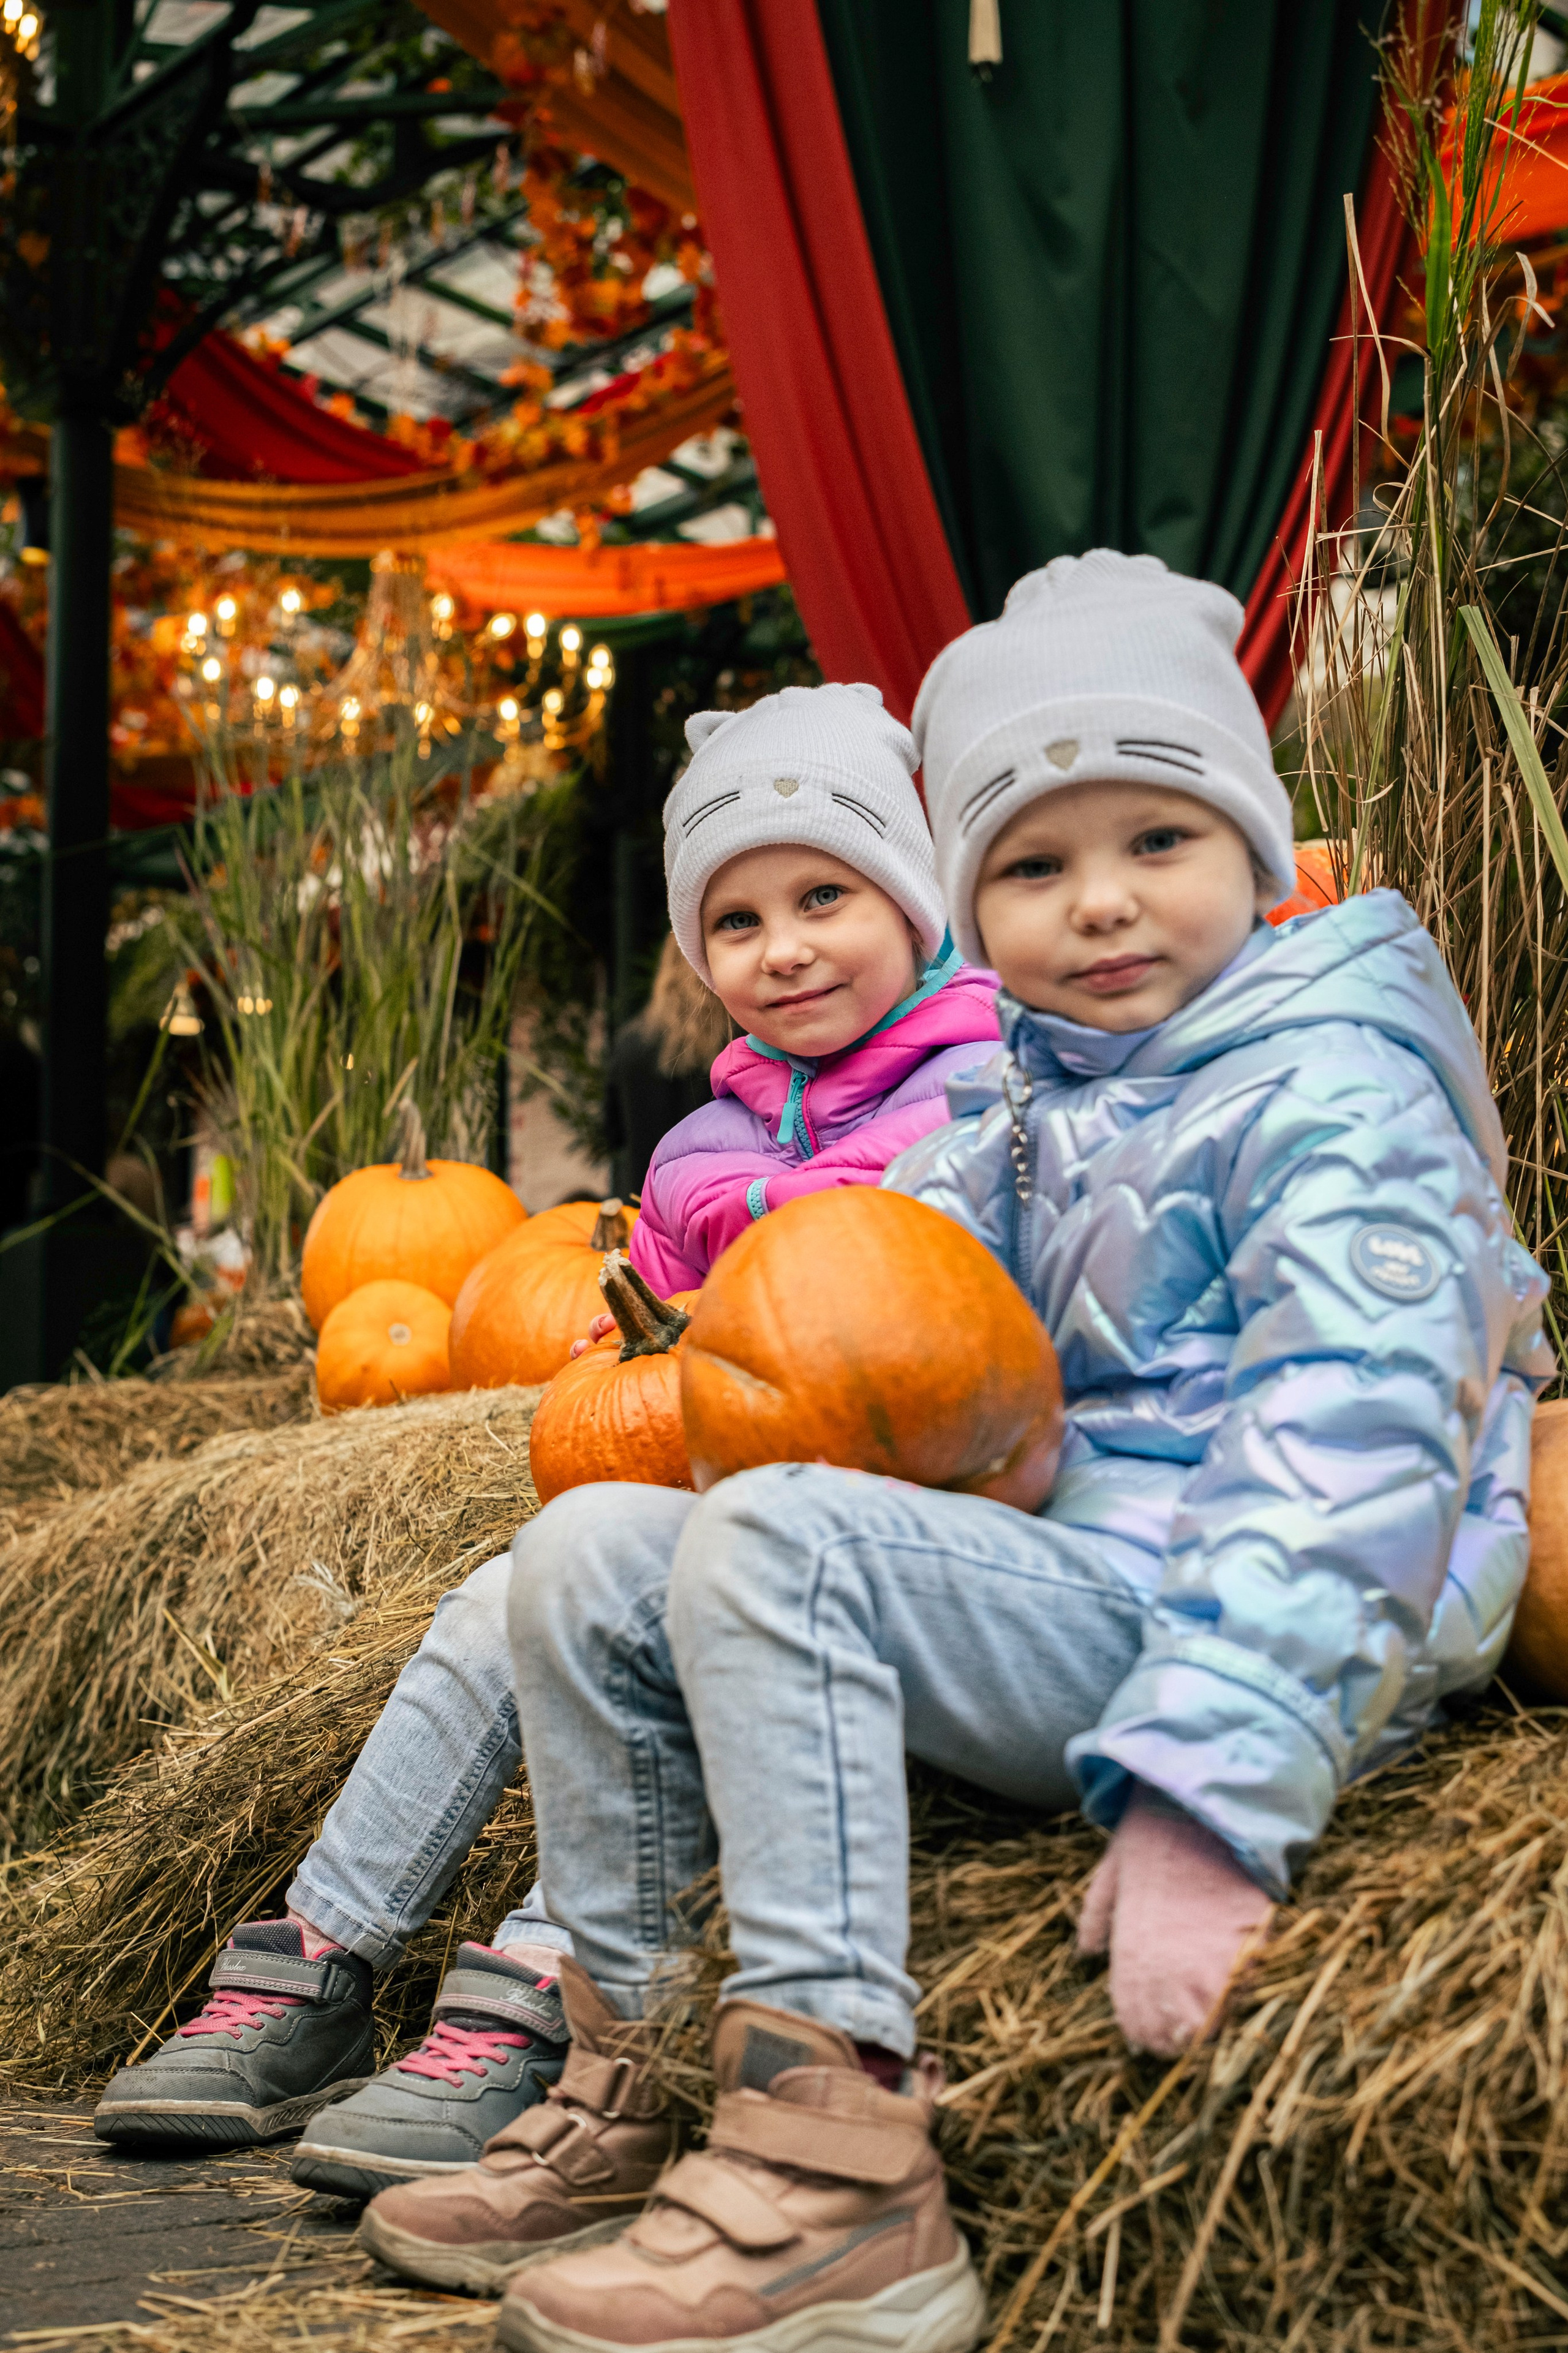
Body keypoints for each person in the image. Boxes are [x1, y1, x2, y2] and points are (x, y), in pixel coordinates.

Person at [342, 553, 1549, 2353]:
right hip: (1086, 1562)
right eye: (1033, 864)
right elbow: (852, 1306)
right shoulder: (1017, 1099)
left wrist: (1212, 1787)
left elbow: (1353, 1440)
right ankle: (650, 2067)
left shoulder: (1338, 1083)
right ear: (973, 903)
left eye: (1157, 839)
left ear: (1251, 842)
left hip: (1281, 1623)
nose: (1101, 902)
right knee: (591, 1546)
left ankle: (842, 2186)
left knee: (780, 1543)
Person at [91, 682, 1000, 2200]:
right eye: (735, 920)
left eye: (824, 895)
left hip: (858, 1522)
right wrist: (623, 1336)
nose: (780, 947)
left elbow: (900, 1310)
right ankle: (318, 1955)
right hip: (692, 1493)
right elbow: (640, 1346)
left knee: (645, 1623)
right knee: (501, 1594)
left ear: (912, 896)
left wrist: (726, 1302)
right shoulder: (706, 1137)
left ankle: (538, 1986)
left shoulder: (972, 1096)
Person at [602, 934, 728, 1201]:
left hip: (644, 1203)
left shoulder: (629, 1043)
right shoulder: (737, 1043)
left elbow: (612, 1135)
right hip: (716, 1205)